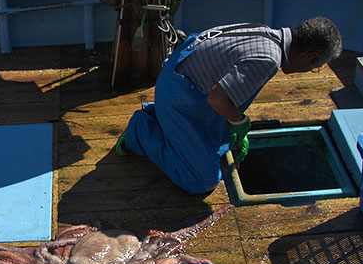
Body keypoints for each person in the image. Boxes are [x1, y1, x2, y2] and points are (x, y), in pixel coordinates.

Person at [115, 17, 342, 194]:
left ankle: (159, 115)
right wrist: (240, 123)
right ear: (309, 55)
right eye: (315, 67)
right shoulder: (269, 59)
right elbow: (217, 99)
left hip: (185, 81)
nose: (310, 71)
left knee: (221, 141)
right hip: (178, 94)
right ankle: (141, 130)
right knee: (202, 180)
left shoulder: (266, 32)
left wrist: (233, 126)